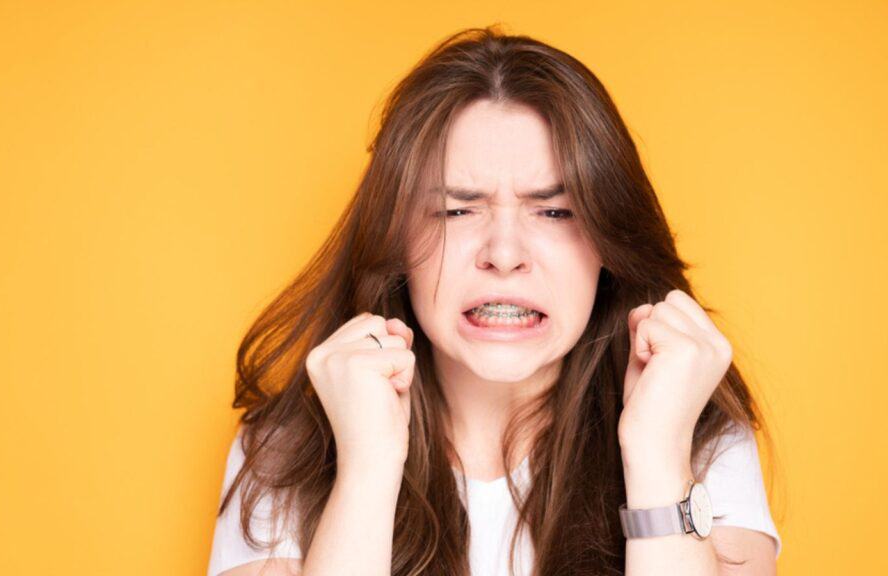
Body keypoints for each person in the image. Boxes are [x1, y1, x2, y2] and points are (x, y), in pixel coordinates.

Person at [207, 26, 782, 576]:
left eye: (556, 211)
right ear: (395, 236)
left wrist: (658, 455)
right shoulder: (288, 451)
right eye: (457, 209)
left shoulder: (695, 438)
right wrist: (365, 472)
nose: (504, 254)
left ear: (610, 239)